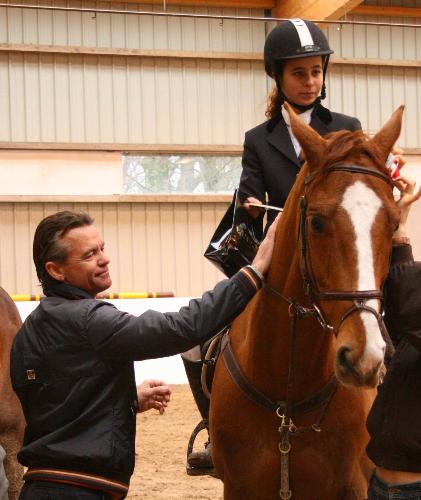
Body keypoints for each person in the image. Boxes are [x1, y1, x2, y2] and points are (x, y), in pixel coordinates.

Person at [184, 17, 362, 475]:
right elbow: (251, 197)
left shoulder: (347, 128)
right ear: (278, 76)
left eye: (316, 71)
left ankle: (386, 428)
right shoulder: (258, 141)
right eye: (299, 73)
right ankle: (215, 430)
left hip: (333, 259)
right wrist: (248, 207)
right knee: (198, 343)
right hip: (278, 262)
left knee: (386, 330)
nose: (310, 82)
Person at [10, 209, 278, 499]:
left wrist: (126, 401)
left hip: (41, 487)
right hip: (79, 492)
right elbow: (179, 328)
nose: (104, 259)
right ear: (55, 270)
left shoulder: (29, 331)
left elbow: (57, 404)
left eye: (102, 248)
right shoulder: (89, 319)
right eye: (90, 255)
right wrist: (252, 273)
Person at [366, 174, 421, 500]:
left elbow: (408, 307)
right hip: (381, 485)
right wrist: (398, 224)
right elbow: (400, 326)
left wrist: (399, 231)